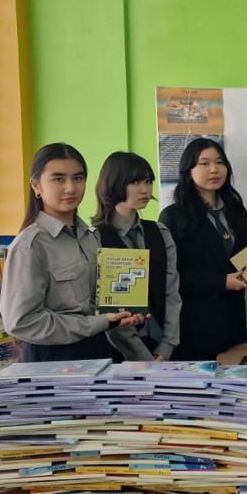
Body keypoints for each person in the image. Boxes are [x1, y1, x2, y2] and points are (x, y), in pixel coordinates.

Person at [2, 143, 143, 362]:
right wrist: (98, 322)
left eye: (78, 178)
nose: (70, 188)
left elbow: (100, 304)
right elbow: (21, 322)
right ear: (36, 186)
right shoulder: (29, 246)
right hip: (53, 359)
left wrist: (124, 313)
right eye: (58, 179)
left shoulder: (89, 236)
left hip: (98, 349)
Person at [159, 138, 247, 359]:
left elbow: (236, 265)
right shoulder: (173, 216)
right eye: (204, 163)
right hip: (194, 326)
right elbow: (170, 279)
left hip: (234, 322)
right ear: (188, 170)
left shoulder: (234, 210)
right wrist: (222, 282)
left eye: (220, 162)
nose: (214, 169)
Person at [91, 151, 182, 361]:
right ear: (113, 183)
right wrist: (144, 359)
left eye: (148, 181)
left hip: (163, 348)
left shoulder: (160, 233)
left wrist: (166, 347)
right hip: (118, 353)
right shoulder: (95, 239)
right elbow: (107, 309)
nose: (145, 189)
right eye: (135, 182)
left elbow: (172, 294)